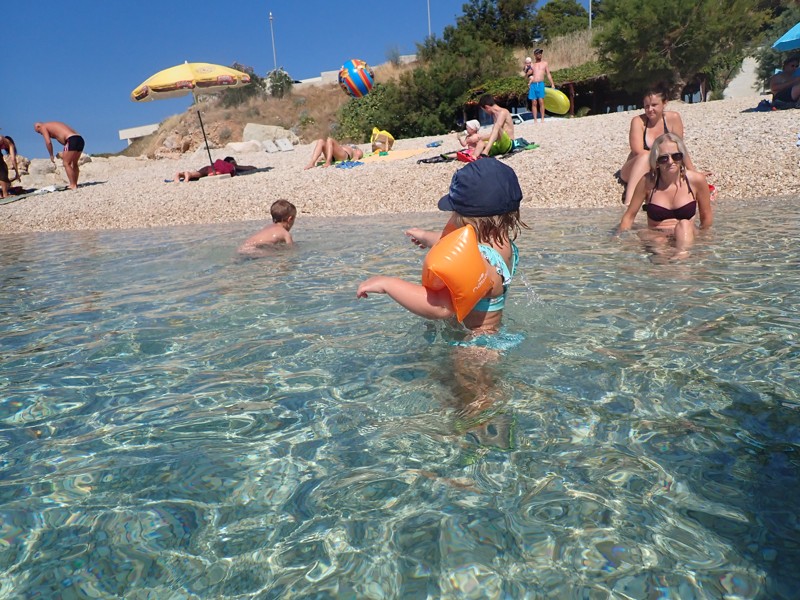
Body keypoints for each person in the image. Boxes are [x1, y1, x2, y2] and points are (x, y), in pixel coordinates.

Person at [357, 157, 527, 336]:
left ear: (470, 218)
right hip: (490, 337)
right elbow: (455, 245)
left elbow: (441, 307)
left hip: (475, 345)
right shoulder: (501, 246)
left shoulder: (480, 261)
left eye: (455, 212)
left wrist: (388, 284)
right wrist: (425, 236)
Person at [616, 133, 712, 259]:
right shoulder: (647, 182)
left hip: (686, 233)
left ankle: (680, 258)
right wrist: (620, 240)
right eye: (664, 158)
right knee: (659, 241)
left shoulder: (696, 181)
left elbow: (706, 218)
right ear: (656, 162)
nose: (671, 162)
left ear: (682, 157)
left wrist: (705, 241)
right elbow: (629, 217)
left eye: (676, 156)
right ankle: (663, 266)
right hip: (656, 233)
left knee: (684, 224)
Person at [617, 88, 702, 206]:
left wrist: (693, 172)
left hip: (661, 167)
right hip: (634, 169)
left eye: (654, 105)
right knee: (645, 155)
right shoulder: (638, 121)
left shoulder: (673, 118)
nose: (650, 110)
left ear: (664, 103)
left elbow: (679, 148)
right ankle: (629, 201)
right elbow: (637, 151)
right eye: (646, 106)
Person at [33, 121, 84, 190]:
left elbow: (48, 142)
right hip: (79, 139)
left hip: (70, 140)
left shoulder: (43, 126)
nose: (41, 134)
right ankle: (75, 183)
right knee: (74, 163)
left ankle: (73, 185)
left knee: (66, 163)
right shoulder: (53, 124)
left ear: (38, 127)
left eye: (39, 132)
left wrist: (51, 155)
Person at [173, 156, 256, 183]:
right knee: (205, 173)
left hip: (211, 166)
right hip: (219, 169)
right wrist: (252, 168)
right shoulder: (230, 165)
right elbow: (249, 168)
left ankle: (183, 174)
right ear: (231, 162)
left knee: (200, 173)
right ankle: (188, 175)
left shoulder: (221, 163)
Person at [527, 48, 555, 124]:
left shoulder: (545, 63)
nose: (539, 54)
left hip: (540, 84)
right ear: (535, 55)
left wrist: (552, 83)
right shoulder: (532, 65)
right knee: (534, 102)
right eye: (538, 53)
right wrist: (528, 76)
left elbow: (548, 74)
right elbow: (527, 75)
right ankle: (535, 120)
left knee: (541, 101)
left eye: (540, 53)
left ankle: (542, 119)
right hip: (533, 84)